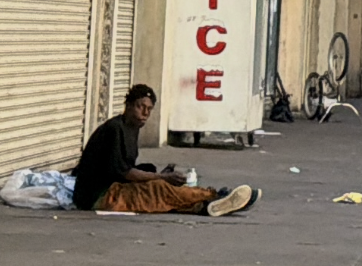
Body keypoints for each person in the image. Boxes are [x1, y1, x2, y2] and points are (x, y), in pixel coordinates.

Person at [73, 85, 256, 215]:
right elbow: (125, 173)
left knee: (161, 195)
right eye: (140, 107)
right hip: (98, 196)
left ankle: (206, 205)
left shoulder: (132, 128)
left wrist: (158, 174)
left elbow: (125, 168)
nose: (144, 113)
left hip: (114, 187)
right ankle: (213, 196)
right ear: (128, 106)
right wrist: (161, 177)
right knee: (158, 190)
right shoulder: (114, 129)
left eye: (149, 109)